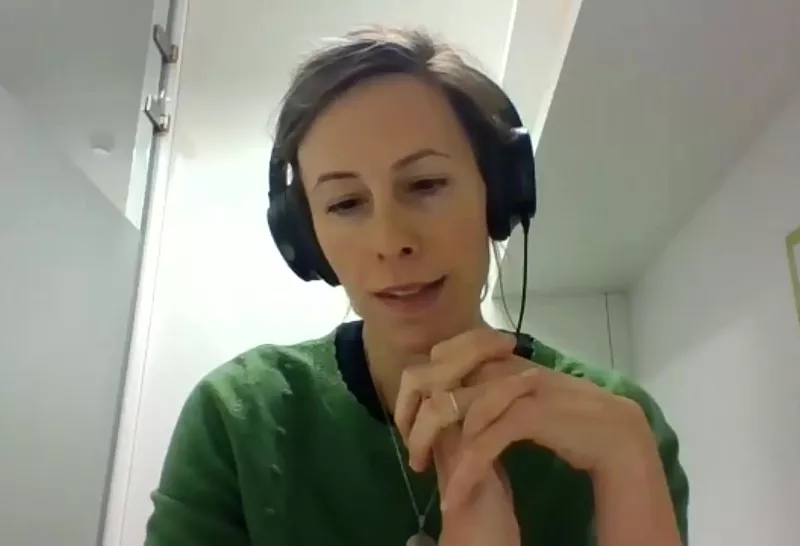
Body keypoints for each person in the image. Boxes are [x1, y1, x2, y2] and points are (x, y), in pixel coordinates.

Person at [145, 26, 689, 546]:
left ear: (496, 197)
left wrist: (627, 471)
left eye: (426, 184)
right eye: (346, 203)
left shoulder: (619, 427)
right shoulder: (238, 420)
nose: (391, 241)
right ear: (306, 236)